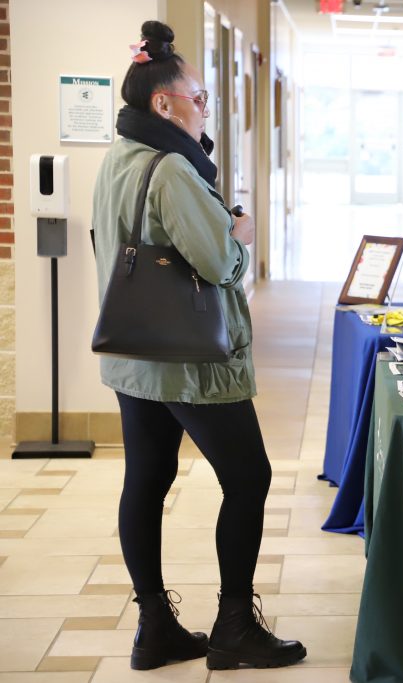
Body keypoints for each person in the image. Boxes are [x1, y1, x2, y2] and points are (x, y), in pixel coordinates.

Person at [91, 21, 305, 671]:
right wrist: (237, 234)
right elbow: (217, 262)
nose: (204, 107)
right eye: (198, 97)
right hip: (191, 360)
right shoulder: (173, 168)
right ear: (164, 103)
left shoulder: (117, 158)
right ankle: (234, 625)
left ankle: (153, 628)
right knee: (249, 476)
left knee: (147, 479)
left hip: (135, 352)